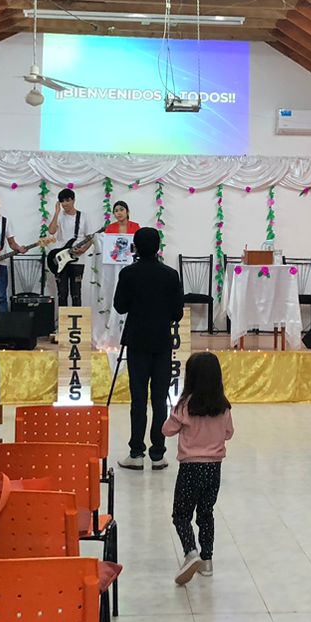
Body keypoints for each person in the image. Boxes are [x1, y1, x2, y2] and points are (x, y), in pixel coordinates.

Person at [113, 226, 185, 470]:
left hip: (137, 342)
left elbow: (120, 306)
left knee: (138, 400)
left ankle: (136, 452)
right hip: (162, 342)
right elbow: (177, 313)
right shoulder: (170, 274)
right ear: (158, 248)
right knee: (159, 399)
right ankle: (158, 453)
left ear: (134, 247)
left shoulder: (128, 273)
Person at [164, 351, 234, 585]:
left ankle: (190, 551)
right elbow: (229, 433)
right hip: (214, 469)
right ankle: (207, 560)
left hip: (190, 468)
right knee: (206, 513)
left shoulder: (185, 406)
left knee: (181, 514)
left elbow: (167, 430)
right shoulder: (223, 407)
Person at [47, 188, 93, 309]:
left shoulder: (83, 216)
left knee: (76, 293)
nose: (65, 204)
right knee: (62, 294)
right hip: (60, 258)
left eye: (67, 200)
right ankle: (62, 320)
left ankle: (76, 319)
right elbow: (51, 231)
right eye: (62, 201)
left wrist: (84, 249)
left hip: (78, 260)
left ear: (73, 200)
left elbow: (90, 238)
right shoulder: (59, 216)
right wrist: (56, 212)